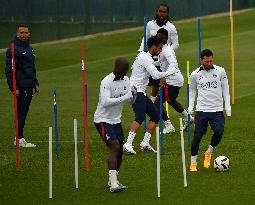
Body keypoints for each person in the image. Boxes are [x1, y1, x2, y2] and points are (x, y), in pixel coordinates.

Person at [123, 36, 174, 155]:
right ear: (154, 46)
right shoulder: (145, 58)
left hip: (141, 91)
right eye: (160, 48)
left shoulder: (145, 57)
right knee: (140, 116)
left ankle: (145, 143)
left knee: (155, 115)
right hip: (135, 90)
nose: (161, 50)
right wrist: (170, 71)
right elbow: (155, 75)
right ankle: (128, 144)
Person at [94, 57, 134, 193]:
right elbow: (105, 102)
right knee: (115, 146)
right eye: (123, 69)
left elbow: (131, 99)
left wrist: (135, 95)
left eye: (126, 70)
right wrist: (127, 96)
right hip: (102, 119)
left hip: (116, 120)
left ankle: (113, 179)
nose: (125, 72)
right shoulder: (106, 82)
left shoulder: (126, 80)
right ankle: (113, 185)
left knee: (120, 152)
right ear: (116, 67)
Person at [188, 49, 231, 172]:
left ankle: (209, 151)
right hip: (201, 110)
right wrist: (191, 107)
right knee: (197, 136)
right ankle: (193, 162)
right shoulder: (195, 74)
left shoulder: (220, 71)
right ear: (202, 60)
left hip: (217, 110)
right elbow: (192, 91)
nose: (209, 63)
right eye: (206, 61)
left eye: (211, 60)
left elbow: (225, 89)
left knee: (219, 131)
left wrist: (227, 107)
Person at [154, 28, 193, 134]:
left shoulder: (167, 50)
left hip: (173, 81)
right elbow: (162, 63)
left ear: (165, 39)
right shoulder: (162, 49)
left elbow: (173, 64)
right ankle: (187, 117)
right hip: (173, 80)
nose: (157, 39)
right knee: (171, 101)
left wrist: (164, 75)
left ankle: (169, 125)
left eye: (159, 38)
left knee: (157, 102)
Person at [138, 3, 179, 103]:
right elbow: (145, 38)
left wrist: (165, 52)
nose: (162, 13)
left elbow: (176, 44)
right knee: (143, 79)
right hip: (150, 58)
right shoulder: (150, 24)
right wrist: (140, 50)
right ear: (157, 11)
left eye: (164, 12)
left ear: (167, 13)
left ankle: (152, 101)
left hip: (162, 61)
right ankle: (145, 99)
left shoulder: (171, 27)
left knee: (157, 82)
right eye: (160, 11)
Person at [5, 24, 39, 148]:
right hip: (21, 86)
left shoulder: (29, 48)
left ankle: (20, 137)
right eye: (21, 32)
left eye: (26, 32)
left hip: (29, 85)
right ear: (17, 34)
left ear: (29, 34)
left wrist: (35, 83)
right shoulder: (13, 49)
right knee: (21, 112)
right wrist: (14, 87)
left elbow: (31, 68)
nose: (24, 34)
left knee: (23, 112)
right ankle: (18, 138)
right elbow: (10, 70)